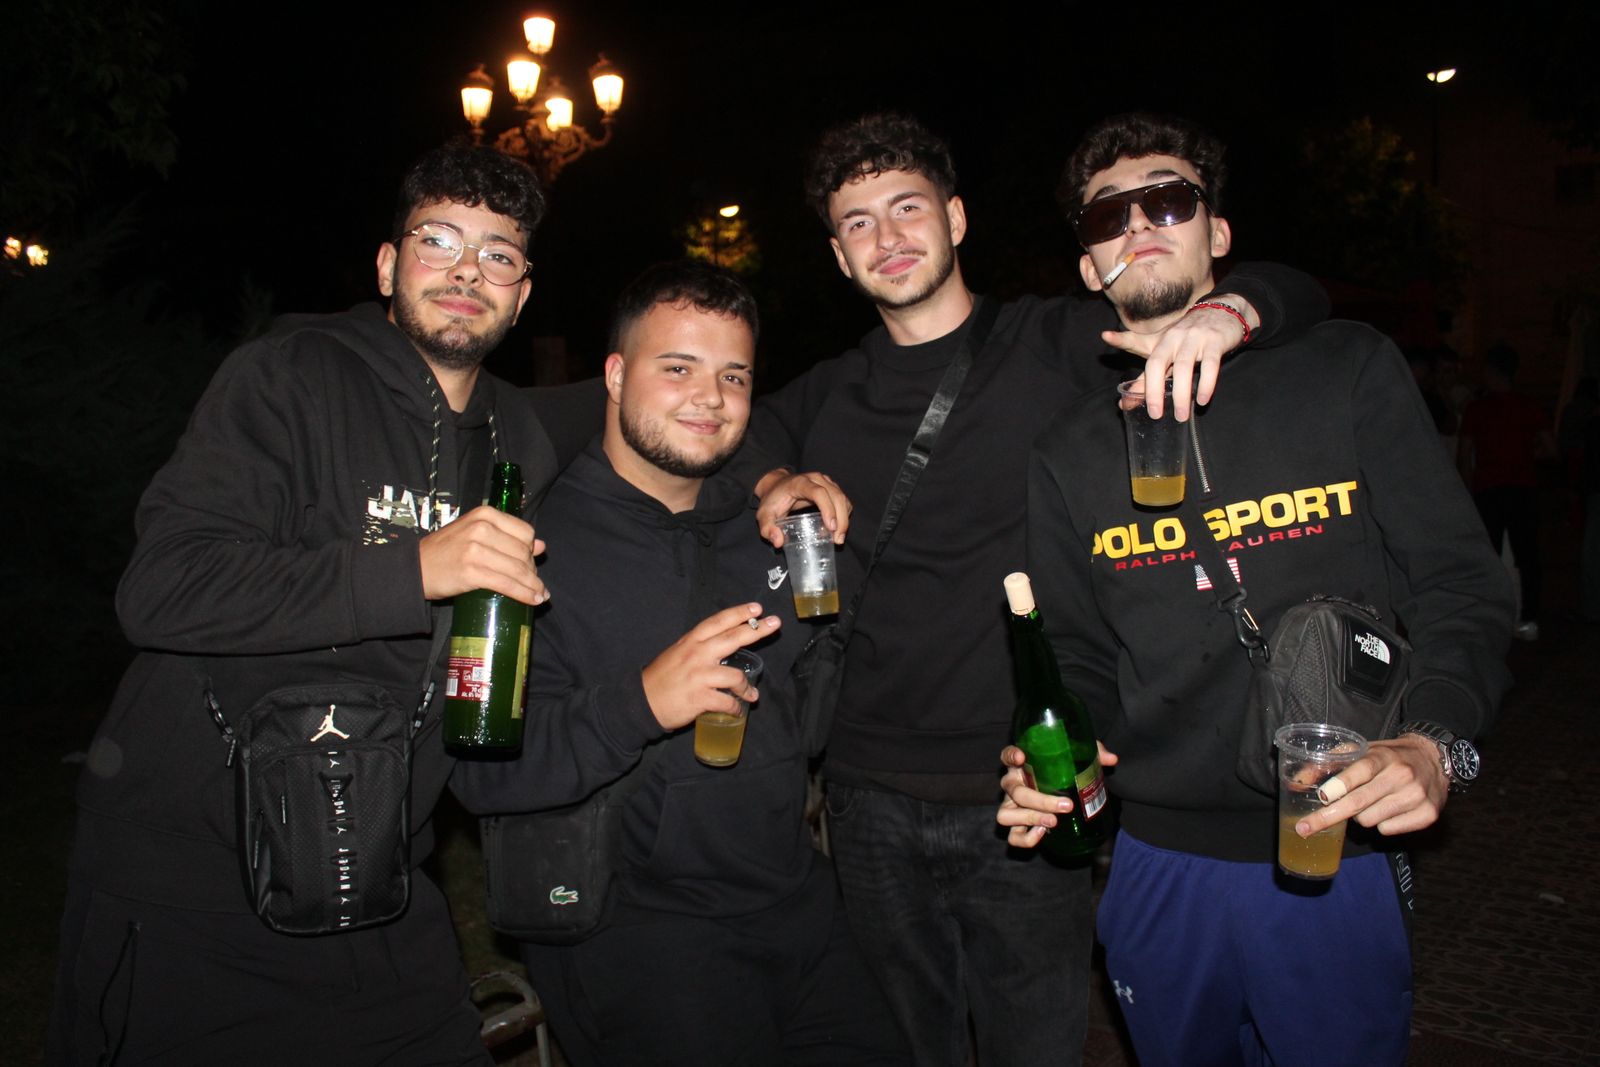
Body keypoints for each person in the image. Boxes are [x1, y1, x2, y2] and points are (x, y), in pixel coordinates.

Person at [743, 112, 1330, 1066]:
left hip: (1027, 785)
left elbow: (1290, 297)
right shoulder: (820, 396)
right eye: (858, 222)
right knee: (903, 1045)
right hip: (865, 792)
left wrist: (1232, 311)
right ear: (839, 256)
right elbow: (732, 438)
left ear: (957, 218)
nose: (887, 237)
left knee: (1036, 1045)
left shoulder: (1055, 341)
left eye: (907, 208)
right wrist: (775, 479)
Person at [999, 112, 1514, 1067]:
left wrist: (1436, 743)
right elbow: (1074, 652)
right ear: (1087, 266)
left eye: (1169, 198)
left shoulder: (1342, 368)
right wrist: (1063, 760)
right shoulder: (1066, 450)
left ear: (1217, 232)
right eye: (1108, 215)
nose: (1139, 222)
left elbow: (1460, 585)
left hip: (1330, 851)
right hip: (1158, 867)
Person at [48, 143, 559, 1065]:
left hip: (381, 879)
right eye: (437, 239)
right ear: (387, 263)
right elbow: (163, 585)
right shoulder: (288, 376)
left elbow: (667, 411)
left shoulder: (519, 438)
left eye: (498, 253)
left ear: (523, 294)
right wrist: (412, 568)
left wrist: (773, 476)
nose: (465, 270)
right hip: (197, 887)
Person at [451, 262, 908, 1067]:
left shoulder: (765, 525)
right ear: (617, 374)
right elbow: (479, 774)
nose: (711, 397)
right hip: (641, 941)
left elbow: (830, 682)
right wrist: (642, 703)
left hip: (799, 904)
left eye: (734, 375)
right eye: (678, 368)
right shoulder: (529, 543)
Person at [1458, 342, 1556, 639]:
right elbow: (1552, 449)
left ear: (1490, 371)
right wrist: (1527, 453)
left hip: (1489, 489)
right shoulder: (1528, 406)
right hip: (1522, 487)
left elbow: (1464, 455)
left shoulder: (1478, 409)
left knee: (1489, 556)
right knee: (1528, 556)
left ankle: (1489, 618)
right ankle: (1528, 618)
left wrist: (1466, 489)